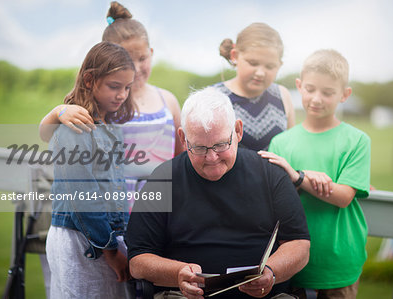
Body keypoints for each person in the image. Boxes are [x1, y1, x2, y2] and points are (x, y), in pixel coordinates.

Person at [125, 87, 310, 299]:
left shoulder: (270, 174)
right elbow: (138, 260)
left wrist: (271, 271)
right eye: (200, 148)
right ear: (183, 138)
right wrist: (177, 273)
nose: (212, 157)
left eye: (221, 144)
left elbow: (299, 244)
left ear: (238, 131)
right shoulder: (162, 179)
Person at [259, 49, 371, 298]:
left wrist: (299, 177)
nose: (316, 98)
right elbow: (275, 199)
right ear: (299, 86)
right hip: (291, 261)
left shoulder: (357, 141)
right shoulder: (281, 142)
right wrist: (304, 176)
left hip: (338, 263)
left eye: (328, 92)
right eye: (310, 89)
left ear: (344, 94)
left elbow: (343, 197)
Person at [39, 1, 182, 195]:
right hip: (112, 212)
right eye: (127, 60)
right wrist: (59, 112)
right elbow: (47, 135)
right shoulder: (104, 105)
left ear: (151, 53)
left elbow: (180, 158)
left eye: (142, 59)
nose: (136, 68)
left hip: (158, 211)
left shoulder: (168, 101)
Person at [46, 41, 136, 298]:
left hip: (101, 236)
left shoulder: (108, 125)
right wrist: (109, 250)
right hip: (81, 240)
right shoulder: (75, 128)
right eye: (114, 86)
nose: (122, 95)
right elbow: (84, 197)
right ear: (89, 80)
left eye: (127, 87)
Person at [214, 22, 295, 151]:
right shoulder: (213, 97)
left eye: (269, 66)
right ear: (235, 56)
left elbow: (291, 147)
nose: (260, 73)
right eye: (253, 63)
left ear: (279, 65)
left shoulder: (282, 95)